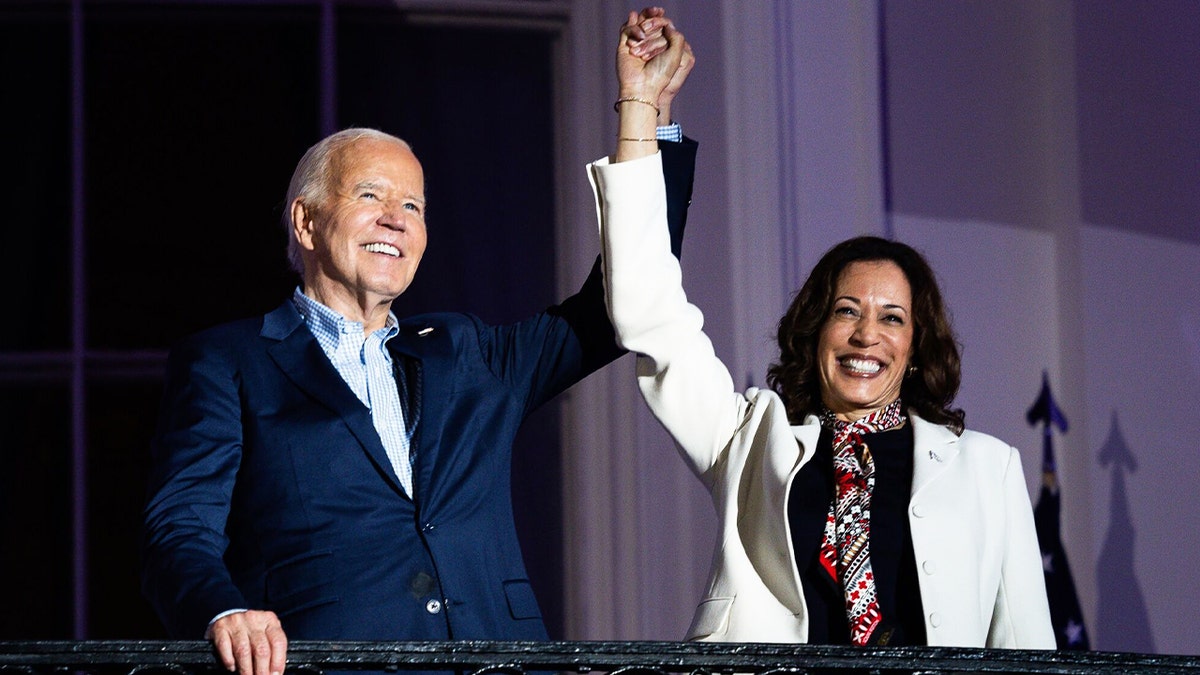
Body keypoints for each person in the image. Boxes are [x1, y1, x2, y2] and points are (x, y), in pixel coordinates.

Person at [141, 10, 696, 675]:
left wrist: (645, 113)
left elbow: (619, 306)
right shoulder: (229, 361)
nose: (395, 220)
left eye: (415, 206)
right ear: (308, 220)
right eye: (371, 194)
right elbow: (179, 530)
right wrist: (221, 611)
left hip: (500, 663)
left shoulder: (465, 351)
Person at [586, 21, 1055, 649]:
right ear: (814, 332)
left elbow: (1027, 650)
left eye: (892, 318)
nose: (867, 335)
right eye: (846, 311)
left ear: (917, 347)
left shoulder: (989, 469)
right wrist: (644, 110)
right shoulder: (750, 443)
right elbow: (649, 310)